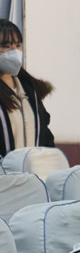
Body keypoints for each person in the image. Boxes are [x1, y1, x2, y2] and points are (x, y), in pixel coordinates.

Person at [0, 19, 54, 157]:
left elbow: (45, 136)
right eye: (7, 46)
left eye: (18, 45)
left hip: (32, 170)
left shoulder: (30, 91)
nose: (14, 51)